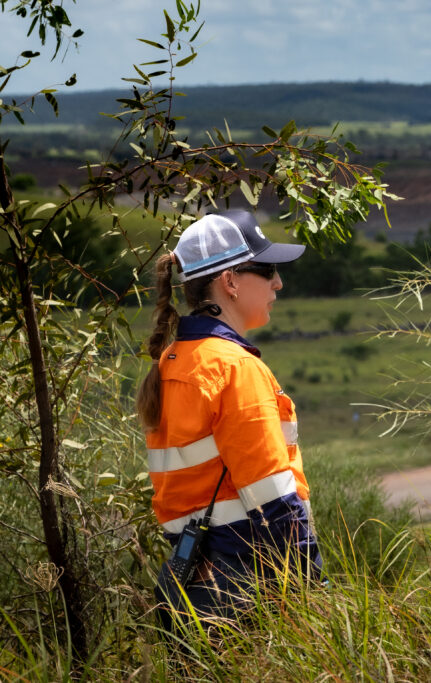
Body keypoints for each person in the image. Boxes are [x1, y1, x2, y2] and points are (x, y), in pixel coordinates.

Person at [136, 209, 321, 629]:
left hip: (191, 581)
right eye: (267, 270)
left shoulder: (173, 361)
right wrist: (312, 585)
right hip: (246, 586)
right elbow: (272, 500)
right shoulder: (235, 368)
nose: (278, 283)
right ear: (230, 281)